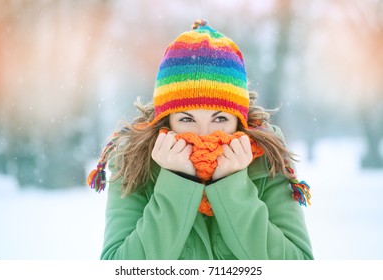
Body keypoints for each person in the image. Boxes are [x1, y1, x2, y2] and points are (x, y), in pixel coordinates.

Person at [87, 19, 313, 260]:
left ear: (239, 120)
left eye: (219, 120)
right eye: (187, 120)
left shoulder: (268, 161)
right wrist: (177, 182)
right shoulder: (133, 163)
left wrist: (232, 186)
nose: (204, 134)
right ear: (167, 120)